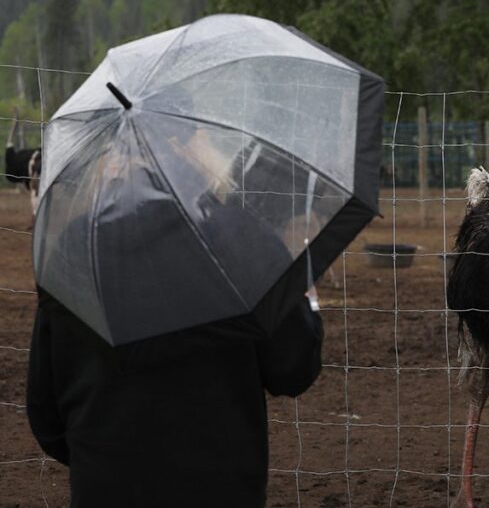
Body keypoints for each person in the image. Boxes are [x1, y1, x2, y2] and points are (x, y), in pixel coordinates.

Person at [26, 119, 324, 507]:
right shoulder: (244, 240)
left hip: (105, 488)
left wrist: (110, 461)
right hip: (221, 488)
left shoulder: (73, 249)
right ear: (191, 148)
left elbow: (46, 415)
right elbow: (293, 368)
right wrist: (303, 299)